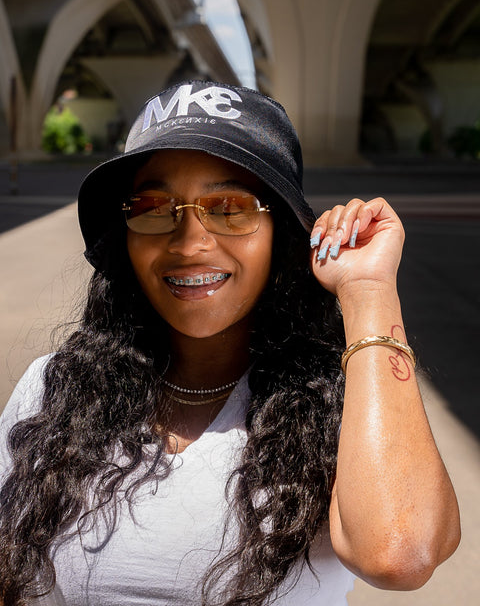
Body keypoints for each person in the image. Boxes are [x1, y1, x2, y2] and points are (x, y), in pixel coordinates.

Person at [0, 81, 460, 605]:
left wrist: (368, 291)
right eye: (153, 206)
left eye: (230, 206)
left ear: (279, 235)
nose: (190, 243)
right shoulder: (54, 392)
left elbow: (399, 554)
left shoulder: (342, 406)